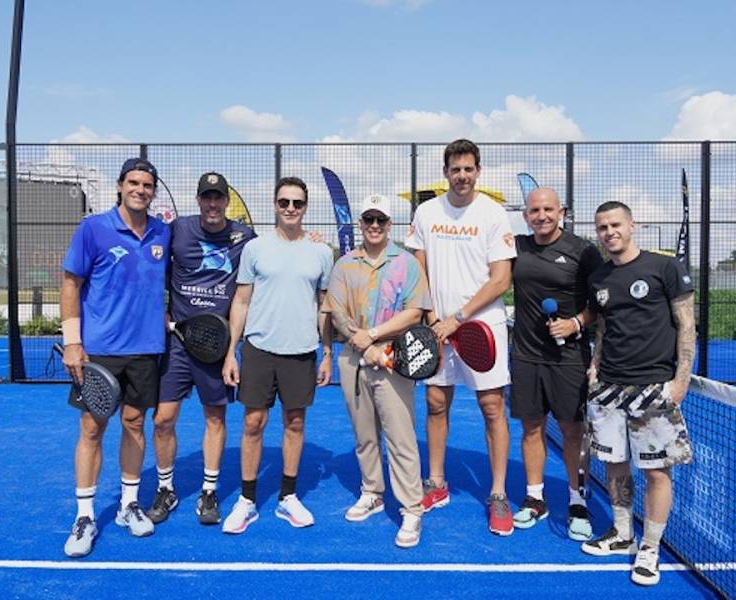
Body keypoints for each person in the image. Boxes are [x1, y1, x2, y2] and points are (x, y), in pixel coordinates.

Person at [405, 139, 517, 536]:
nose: (462, 175)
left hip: (482, 327)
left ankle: (499, 494)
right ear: (446, 172)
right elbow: (418, 270)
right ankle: (436, 483)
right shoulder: (426, 212)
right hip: (438, 326)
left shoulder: (493, 214)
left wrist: (459, 318)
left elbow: (501, 278)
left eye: (469, 169)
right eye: (456, 169)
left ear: (478, 171)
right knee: (436, 403)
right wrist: (435, 318)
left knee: (491, 407)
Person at [60, 158, 171, 557]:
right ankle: (86, 515)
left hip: (146, 350)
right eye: (134, 183)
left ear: (153, 191)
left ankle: (128, 504)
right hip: (100, 351)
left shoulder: (163, 232)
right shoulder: (94, 229)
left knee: (135, 424)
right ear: (121, 186)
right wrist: (72, 341)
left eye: (147, 184)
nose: (140, 189)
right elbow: (71, 283)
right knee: (92, 429)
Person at [581, 201, 695, 587]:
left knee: (656, 471)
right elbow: (603, 328)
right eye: (602, 227)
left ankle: (649, 547)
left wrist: (681, 381)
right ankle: (622, 532)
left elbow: (686, 324)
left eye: (615, 224)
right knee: (614, 465)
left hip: (652, 388)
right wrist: (595, 368)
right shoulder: (598, 279)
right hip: (608, 388)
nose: (609, 232)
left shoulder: (665, 268)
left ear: (632, 226)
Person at [221, 176, 334, 534]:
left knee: (295, 423)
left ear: (305, 208)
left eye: (297, 203)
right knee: (253, 423)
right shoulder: (255, 248)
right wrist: (231, 352)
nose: (290, 208)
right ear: (274, 205)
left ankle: (287, 497)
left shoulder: (321, 251)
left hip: (301, 351)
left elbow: (324, 306)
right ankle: (247, 500)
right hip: (258, 349)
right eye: (284, 202)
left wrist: (327, 351)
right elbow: (241, 300)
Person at [146, 172, 255, 526]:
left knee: (215, 418)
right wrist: (160, 310)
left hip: (216, 348)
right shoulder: (177, 230)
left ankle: (209, 492)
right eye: (206, 197)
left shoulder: (244, 237)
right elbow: (152, 268)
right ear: (198, 200)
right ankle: (166, 488)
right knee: (162, 419)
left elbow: (269, 261)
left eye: (218, 197)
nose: (212, 204)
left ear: (226, 201)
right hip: (176, 344)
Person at [324, 193, 432, 548]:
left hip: (393, 360)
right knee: (364, 434)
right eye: (368, 219)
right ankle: (372, 492)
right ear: (361, 224)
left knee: (400, 438)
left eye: (380, 220)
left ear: (390, 225)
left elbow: (414, 313)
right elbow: (336, 310)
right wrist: (364, 345)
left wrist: (371, 338)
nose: (374, 226)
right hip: (353, 359)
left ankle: (412, 508)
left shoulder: (407, 263)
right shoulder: (344, 264)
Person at [509, 187, 603, 540]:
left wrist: (577, 322)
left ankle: (577, 499)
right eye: (535, 210)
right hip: (525, 355)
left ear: (561, 211)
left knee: (571, 430)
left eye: (549, 209)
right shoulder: (517, 246)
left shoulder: (583, 251)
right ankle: (535, 498)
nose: (542, 215)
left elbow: (601, 302)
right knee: (531, 428)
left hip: (568, 357)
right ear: (526, 215)